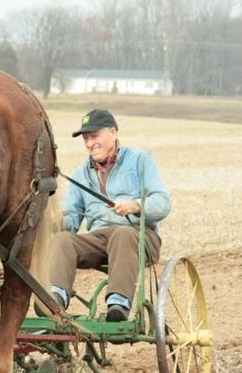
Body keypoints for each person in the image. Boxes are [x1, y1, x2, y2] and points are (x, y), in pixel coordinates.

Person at [44, 108, 171, 322]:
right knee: (62, 239)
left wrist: (135, 205)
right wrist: (54, 222)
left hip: (139, 236)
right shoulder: (79, 175)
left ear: (113, 132)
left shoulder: (140, 161)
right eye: (86, 138)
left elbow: (163, 203)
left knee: (122, 233)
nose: (89, 143)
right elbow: (71, 223)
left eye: (95, 136)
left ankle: (118, 304)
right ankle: (55, 298)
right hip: (99, 239)